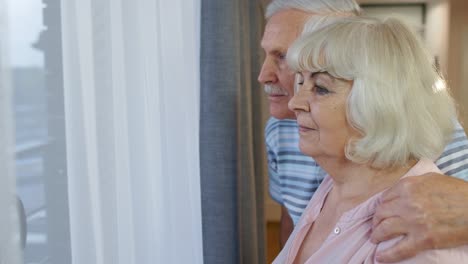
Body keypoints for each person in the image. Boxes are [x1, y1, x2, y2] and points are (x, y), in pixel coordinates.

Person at [258, 0, 468, 262]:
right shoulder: (330, 173)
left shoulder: (425, 132)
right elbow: (290, 226)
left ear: (376, 102)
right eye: (301, 78)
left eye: (282, 57)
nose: (263, 75)